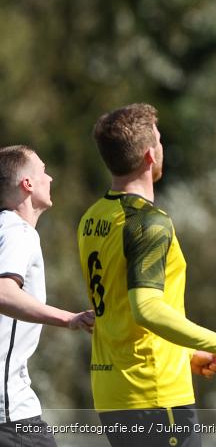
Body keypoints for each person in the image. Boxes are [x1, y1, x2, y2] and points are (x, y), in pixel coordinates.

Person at [78, 104, 216, 447]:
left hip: (115, 393)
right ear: (150, 155)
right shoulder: (148, 223)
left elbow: (123, 315)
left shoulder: (93, 217)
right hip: (155, 395)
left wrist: (187, 356)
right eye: (160, 141)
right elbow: (146, 309)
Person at [0, 145, 94, 447]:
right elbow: (3, 292)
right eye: (43, 171)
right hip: (10, 416)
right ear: (27, 184)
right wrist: (70, 318)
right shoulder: (19, 232)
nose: (50, 178)